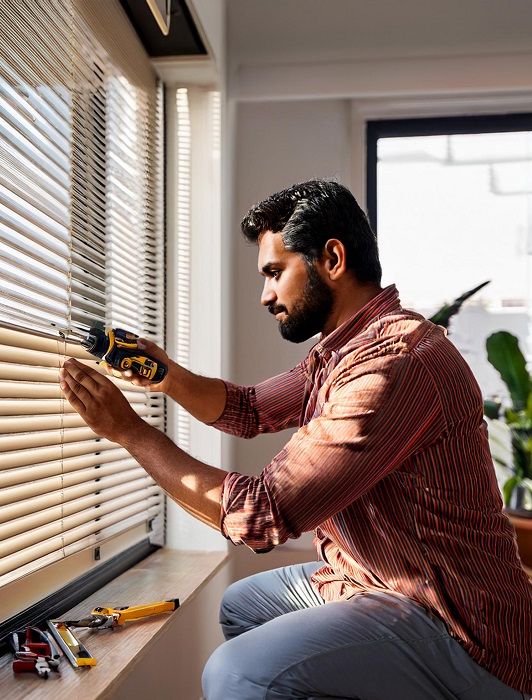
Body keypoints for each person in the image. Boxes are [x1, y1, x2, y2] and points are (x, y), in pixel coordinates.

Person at [59, 179, 532, 700]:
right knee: (243, 607)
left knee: (235, 673)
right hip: (377, 581)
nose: (265, 295)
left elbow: (262, 515)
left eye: (274, 272)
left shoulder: (392, 366)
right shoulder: (344, 350)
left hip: (454, 622)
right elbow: (250, 409)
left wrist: (129, 433)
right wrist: (167, 375)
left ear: (332, 258)